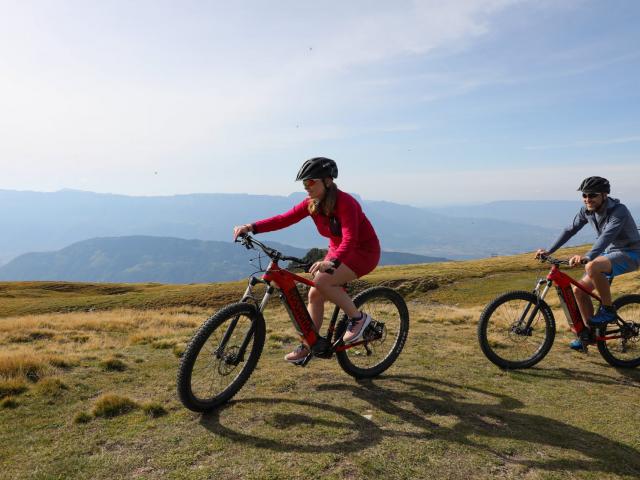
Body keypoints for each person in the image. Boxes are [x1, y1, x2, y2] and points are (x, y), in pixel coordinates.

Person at [233, 157, 381, 363]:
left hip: (363, 252)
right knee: (314, 294)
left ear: (328, 181)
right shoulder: (311, 204)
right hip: (338, 251)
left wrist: (332, 262)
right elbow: (283, 219)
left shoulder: (346, 202)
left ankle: (358, 319)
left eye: (311, 182)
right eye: (304, 183)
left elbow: (350, 238)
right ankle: (309, 344)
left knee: (322, 281)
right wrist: (251, 227)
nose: (306, 187)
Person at [535, 176, 640, 350]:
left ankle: (608, 310)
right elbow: (570, 229)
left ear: (604, 195)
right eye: (584, 195)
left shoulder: (619, 211)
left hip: (631, 253)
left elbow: (607, 237)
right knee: (579, 291)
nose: (587, 199)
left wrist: (589, 256)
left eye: (592, 195)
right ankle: (589, 336)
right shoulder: (587, 210)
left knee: (592, 266)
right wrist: (549, 251)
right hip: (608, 254)